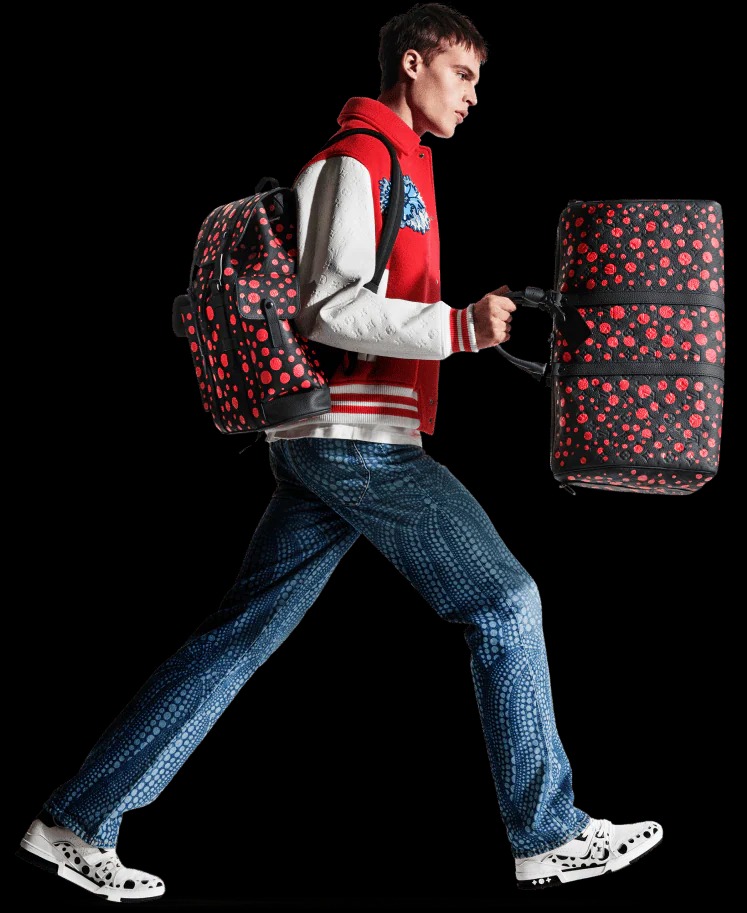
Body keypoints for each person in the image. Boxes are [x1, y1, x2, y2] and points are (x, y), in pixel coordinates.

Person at [17, 3, 662, 902]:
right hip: (355, 439)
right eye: (462, 74)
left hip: (341, 439)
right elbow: (327, 309)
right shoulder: (354, 160)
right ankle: (549, 834)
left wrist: (459, 326)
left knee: (239, 635)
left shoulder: (403, 163)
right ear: (411, 64)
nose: (473, 95)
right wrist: (458, 327)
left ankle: (76, 821)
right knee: (504, 602)